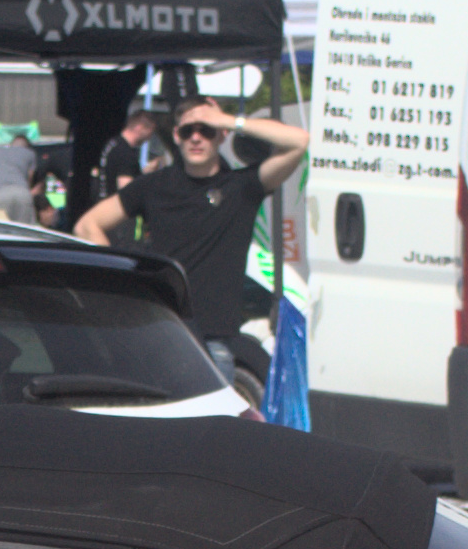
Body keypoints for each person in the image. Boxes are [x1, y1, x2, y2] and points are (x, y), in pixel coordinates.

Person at [78, 97, 306, 360]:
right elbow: (87, 225)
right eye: (188, 131)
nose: (196, 138)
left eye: (206, 129)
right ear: (176, 135)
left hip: (213, 343)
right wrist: (125, 283)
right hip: (158, 332)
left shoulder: (241, 187)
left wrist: (228, 120)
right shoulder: (153, 185)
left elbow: (298, 142)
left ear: (221, 135)